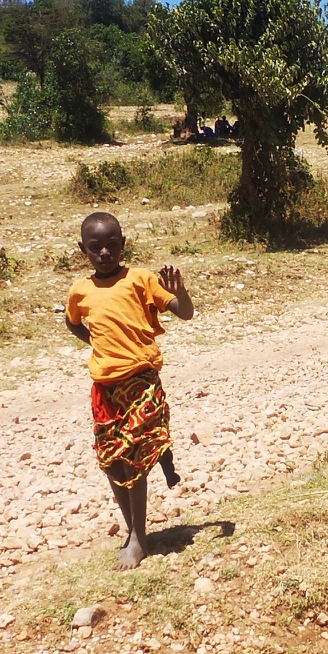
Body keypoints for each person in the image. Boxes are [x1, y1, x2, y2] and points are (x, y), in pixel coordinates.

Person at [63, 212, 194, 569]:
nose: (104, 252)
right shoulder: (81, 291)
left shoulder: (141, 279)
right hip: (105, 388)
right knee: (111, 463)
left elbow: (184, 313)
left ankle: (139, 536)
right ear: (83, 250)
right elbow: (72, 321)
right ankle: (133, 525)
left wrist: (179, 290)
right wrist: (96, 342)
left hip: (140, 382)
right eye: (95, 247)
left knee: (134, 460)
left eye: (111, 245)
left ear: (123, 243)